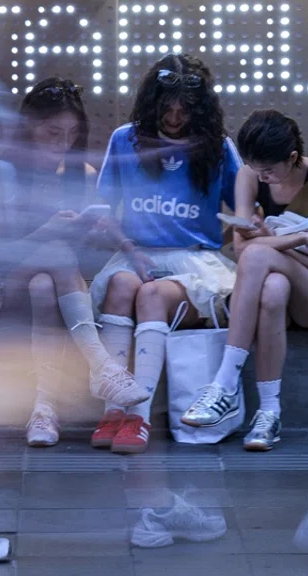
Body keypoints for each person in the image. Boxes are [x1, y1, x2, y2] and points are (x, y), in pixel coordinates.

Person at [0, 77, 148, 460]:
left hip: (51, 285)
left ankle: (44, 410)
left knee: (45, 279)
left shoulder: (82, 173)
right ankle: (101, 366)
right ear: (29, 129)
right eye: (52, 132)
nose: (62, 144)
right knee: (52, 253)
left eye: (70, 134)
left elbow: (84, 249)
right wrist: (50, 230)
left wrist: (93, 229)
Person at [88, 53, 242, 454]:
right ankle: (114, 411)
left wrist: (212, 238)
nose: (174, 116)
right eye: (166, 106)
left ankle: (138, 420)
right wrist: (129, 249)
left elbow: (245, 212)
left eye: (183, 108)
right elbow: (104, 210)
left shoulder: (219, 148)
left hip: (193, 263)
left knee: (152, 295)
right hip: (134, 255)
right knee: (121, 287)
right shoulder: (126, 139)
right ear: (152, 102)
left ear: (200, 107)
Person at [180, 110, 308, 451]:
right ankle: (269, 412)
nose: (262, 177)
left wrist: (282, 247)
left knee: (260, 256)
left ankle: (224, 383)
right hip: (276, 289)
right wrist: (299, 239)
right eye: (255, 168)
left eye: (270, 170)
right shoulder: (250, 176)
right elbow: (240, 245)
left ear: (292, 158)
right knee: (273, 288)